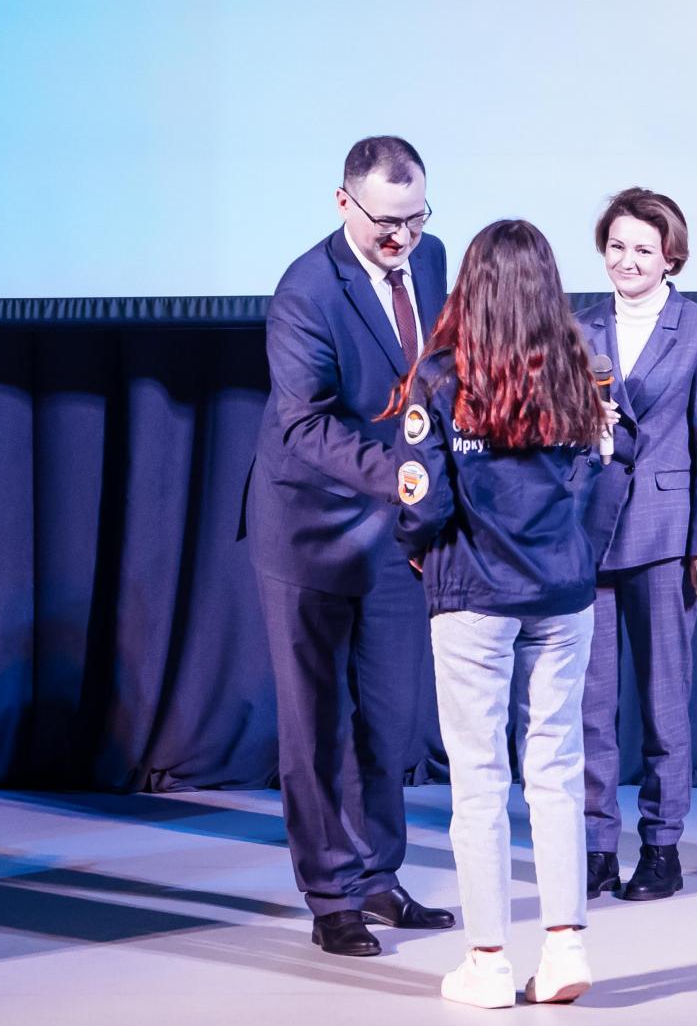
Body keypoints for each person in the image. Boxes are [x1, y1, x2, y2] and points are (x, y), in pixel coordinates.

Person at [390, 219, 630, 1009]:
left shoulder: (440, 378)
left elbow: (422, 501)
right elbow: (597, 476)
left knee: (479, 779)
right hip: (563, 593)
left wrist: (418, 552)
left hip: (472, 595)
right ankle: (564, 947)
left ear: (473, 285)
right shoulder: (578, 371)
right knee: (555, 770)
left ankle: (488, 960)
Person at [243, 136, 455, 956]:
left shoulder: (432, 257)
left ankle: (377, 877)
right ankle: (331, 894)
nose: (403, 237)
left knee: (390, 719)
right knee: (316, 723)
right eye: (386, 222)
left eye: (415, 217)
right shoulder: (305, 290)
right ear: (344, 203)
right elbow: (303, 425)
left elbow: (440, 371)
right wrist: (404, 474)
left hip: (394, 529)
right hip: (311, 528)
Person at [575, 188, 697, 903]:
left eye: (643, 248)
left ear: (671, 256)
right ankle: (595, 847)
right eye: (617, 246)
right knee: (588, 705)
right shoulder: (576, 328)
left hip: (666, 536)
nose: (627, 260)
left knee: (664, 702)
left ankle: (662, 845)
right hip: (588, 535)